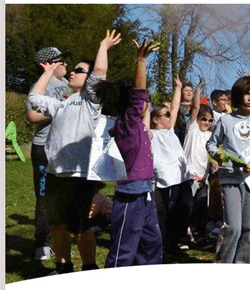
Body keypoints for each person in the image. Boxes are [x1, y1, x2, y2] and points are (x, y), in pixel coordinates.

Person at [27, 29, 122, 274]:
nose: (72, 71)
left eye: (78, 70)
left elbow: (99, 73)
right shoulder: (63, 101)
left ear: (88, 78)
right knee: (56, 225)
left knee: (80, 226)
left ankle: (89, 269)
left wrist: (103, 47)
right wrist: (47, 73)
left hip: (78, 175)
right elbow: (35, 100)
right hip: (54, 172)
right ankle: (63, 267)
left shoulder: (91, 100)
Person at [102, 40, 163, 267]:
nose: (147, 101)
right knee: (123, 249)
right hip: (131, 194)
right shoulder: (125, 124)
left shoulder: (137, 125)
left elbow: (142, 103)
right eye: (144, 100)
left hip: (145, 192)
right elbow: (139, 96)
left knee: (152, 244)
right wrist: (141, 61)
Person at [207, 76, 250, 263]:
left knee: (248, 229)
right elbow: (211, 144)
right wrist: (218, 155)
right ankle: (224, 265)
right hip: (230, 179)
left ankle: (242, 266)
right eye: (246, 93)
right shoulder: (226, 121)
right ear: (238, 96)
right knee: (233, 227)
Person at [26, 46, 73, 261]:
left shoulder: (68, 85)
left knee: (64, 197)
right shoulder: (40, 86)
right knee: (45, 197)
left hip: (64, 148)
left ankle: (59, 243)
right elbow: (32, 116)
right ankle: (42, 243)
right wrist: (60, 108)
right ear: (48, 64)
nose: (65, 64)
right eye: (61, 60)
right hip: (44, 147)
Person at [150, 74, 195, 258]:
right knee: (168, 216)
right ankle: (164, 247)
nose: (171, 116)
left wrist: (178, 88)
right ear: (155, 119)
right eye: (166, 114)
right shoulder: (152, 134)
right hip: (166, 181)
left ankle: (172, 244)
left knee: (186, 211)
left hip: (183, 177)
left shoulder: (169, 130)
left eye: (170, 114)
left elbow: (176, 107)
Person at [183, 77, 215, 245]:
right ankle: (183, 235)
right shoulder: (192, 128)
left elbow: (210, 154)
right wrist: (198, 91)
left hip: (203, 179)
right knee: (185, 209)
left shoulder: (210, 136)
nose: (206, 122)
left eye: (210, 120)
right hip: (188, 177)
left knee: (201, 210)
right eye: (204, 119)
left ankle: (201, 236)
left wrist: (214, 162)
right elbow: (195, 108)